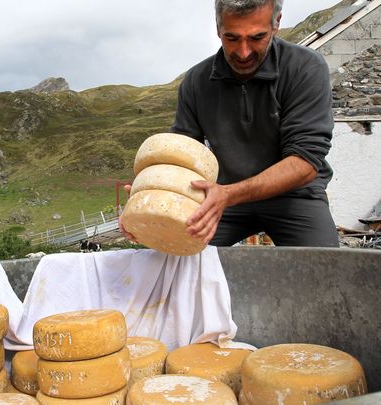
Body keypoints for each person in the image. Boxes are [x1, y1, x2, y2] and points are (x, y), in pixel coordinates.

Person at [123, 0, 339, 247]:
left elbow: (306, 162)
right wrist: (146, 200)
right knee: (173, 258)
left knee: (326, 270)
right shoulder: (196, 81)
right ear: (218, 28)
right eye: (232, 38)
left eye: (257, 37)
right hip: (222, 200)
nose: (243, 52)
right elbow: (179, 157)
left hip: (295, 197)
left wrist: (228, 194)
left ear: (276, 24)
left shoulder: (305, 67)